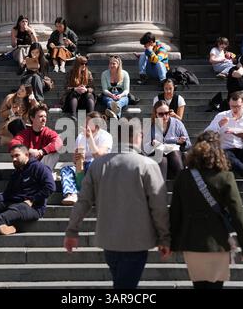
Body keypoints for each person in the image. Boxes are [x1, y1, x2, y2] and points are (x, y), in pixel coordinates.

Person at [64, 118, 171, 289]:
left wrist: (72, 230)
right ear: (139, 136)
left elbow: (83, 202)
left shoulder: (98, 165)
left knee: (121, 283)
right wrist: (164, 237)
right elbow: (159, 207)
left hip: (109, 239)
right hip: (137, 240)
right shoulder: (147, 165)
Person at [170, 131, 243, 289]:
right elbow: (238, 214)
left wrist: (172, 243)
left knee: (199, 286)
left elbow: (175, 213)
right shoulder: (225, 176)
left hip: (191, 242)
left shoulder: (183, 177)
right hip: (218, 242)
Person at [205, 91, 243, 193]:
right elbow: (206, 135)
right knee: (225, 153)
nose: (235, 109)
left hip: (242, 149)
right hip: (226, 150)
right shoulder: (221, 116)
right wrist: (219, 125)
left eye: (238, 106)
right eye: (232, 106)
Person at [60, 111, 113, 205]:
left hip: (98, 169)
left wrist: (90, 138)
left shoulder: (106, 136)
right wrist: (77, 157)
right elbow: (74, 160)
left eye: (88, 123)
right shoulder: (80, 136)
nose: (84, 125)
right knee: (66, 168)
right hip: (82, 171)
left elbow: (99, 156)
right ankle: (72, 194)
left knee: (93, 164)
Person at [144, 100, 191, 180]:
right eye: (161, 114)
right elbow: (145, 148)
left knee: (174, 153)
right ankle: (159, 190)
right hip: (157, 155)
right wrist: (152, 143)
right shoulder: (151, 125)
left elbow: (188, 144)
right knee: (162, 159)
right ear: (156, 114)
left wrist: (182, 142)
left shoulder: (177, 123)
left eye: (167, 113)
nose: (165, 116)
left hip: (175, 156)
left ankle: (183, 184)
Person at [9, 104, 63, 172]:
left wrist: (42, 151)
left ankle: (45, 174)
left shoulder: (48, 132)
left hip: (43, 166)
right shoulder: (25, 133)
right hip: (28, 166)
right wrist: (28, 151)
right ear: (32, 118)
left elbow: (59, 143)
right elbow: (13, 143)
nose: (44, 119)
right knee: (19, 151)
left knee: (55, 152)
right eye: (40, 116)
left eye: (45, 116)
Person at [62, 56, 95, 120]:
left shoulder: (88, 73)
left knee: (90, 95)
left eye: (86, 64)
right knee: (74, 93)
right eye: (82, 64)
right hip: (72, 102)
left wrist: (86, 89)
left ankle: (91, 116)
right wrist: (75, 89)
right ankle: (73, 115)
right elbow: (66, 88)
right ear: (77, 64)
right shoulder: (70, 73)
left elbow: (93, 88)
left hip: (84, 101)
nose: (84, 65)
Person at [100, 55, 130, 119]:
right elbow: (104, 89)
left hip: (122, 94)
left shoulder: (125, 74)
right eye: (110, 63)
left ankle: (113, 112)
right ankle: (116, 116)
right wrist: (111, 95)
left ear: (118, 65)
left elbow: (126, 90)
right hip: (108, 94)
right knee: (109, 101)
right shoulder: (104, 74)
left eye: (114, 64)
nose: (111, 65)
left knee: (122, 101)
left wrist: (120, 95)